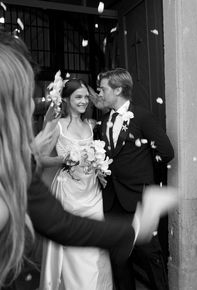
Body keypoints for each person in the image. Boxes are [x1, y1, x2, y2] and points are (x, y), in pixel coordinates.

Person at [0, 30, 177, 289]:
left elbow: (63, 225)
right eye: (24, 97)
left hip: (100, 194)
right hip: (77, 192)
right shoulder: (78, 125)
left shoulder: (102, 123)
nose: (30, 106)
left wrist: (142, 205)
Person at [94, 68, 174, 290]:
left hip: (139, 198)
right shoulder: (103, 122)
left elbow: (166, 152)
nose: (99, 93)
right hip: (111, 200)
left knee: (150, 255)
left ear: (118, 89)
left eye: (103, 89)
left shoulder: (142, 116)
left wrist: (143, 177)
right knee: (120, 259)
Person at [39, 77, 113, 290]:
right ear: (66, 99)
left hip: (92, 192)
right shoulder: (57, 127)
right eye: (78, 97)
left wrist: (99, 169)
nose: (83, 101)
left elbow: (95, 156)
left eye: (86, 97)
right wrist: (63, 160)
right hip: (69, 194)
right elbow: (41, 159)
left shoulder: (91, 125)